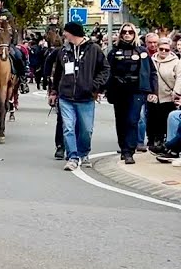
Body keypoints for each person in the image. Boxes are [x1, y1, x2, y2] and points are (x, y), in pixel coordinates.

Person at [49, 21, 110, 170]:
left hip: (86, 97)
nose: (64, 34)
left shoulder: (94, 49)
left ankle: (84, 153)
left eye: (66, 32)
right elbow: (57, 74)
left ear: (72, 33)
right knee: (68, 127)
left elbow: (105, 69)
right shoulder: (63, 51)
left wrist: (95, 85)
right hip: (66, 96)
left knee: (86, 129)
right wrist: (53, 91)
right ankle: (73, 157)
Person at [105, 23, 156, 164]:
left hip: (137, 91)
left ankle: (129, 151)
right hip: (119, 90)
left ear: (134, 34)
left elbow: (151, 72)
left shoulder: (142, 52)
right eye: (124, 32)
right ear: (120, 34)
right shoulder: (114, 53)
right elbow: (106, 72)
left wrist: (153, 91)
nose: (127, 34)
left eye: (130, 32)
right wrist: (104, 89)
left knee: (133, 120)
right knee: (121, 121)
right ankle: (124, 148)